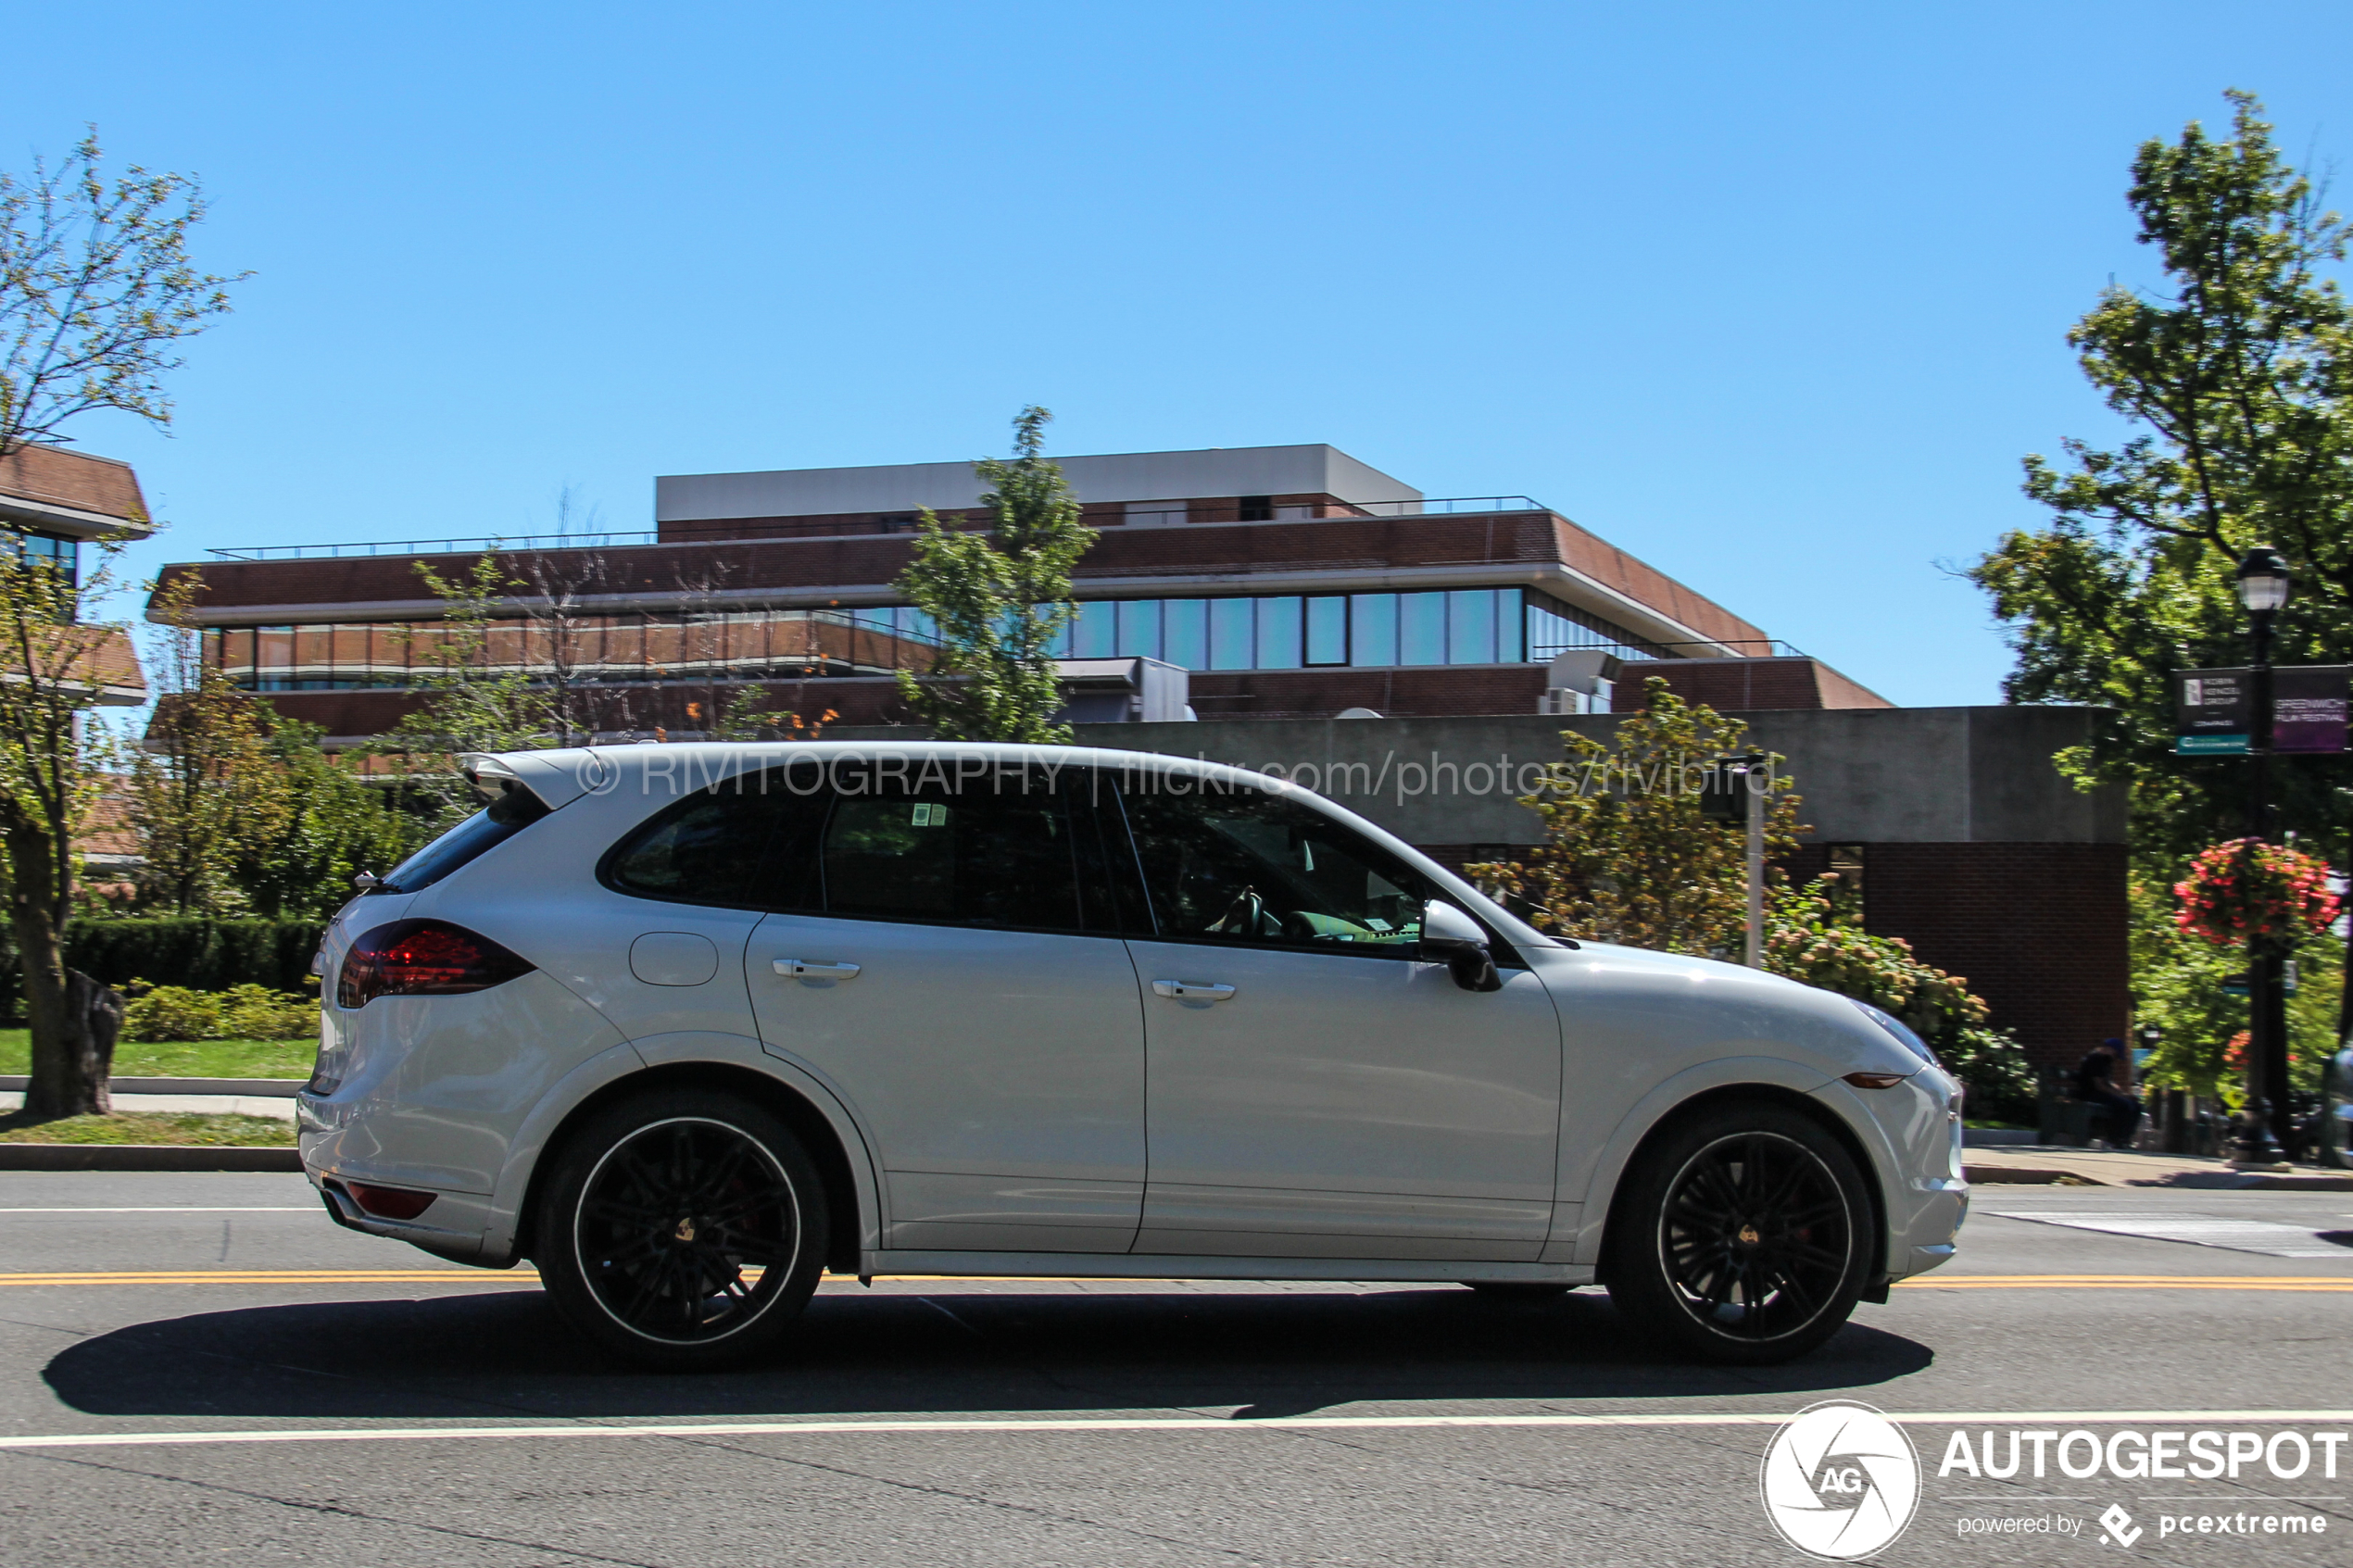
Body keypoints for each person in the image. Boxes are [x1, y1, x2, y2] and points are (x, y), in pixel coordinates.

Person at [2073, 1038, 2142, 1148]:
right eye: (2115, 1055)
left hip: (2100, 1094)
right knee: (2124, 1105)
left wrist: (2123, 1094)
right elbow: (2099, 1085)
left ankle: (2125, 1139)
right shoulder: (2096, 1059)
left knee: (2137, 1106)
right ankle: (2114, 1139)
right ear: (2109, 1049)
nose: (2115, 1058)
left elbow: (2109, 1083)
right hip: (2090, 1094)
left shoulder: (2105, 1061)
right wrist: (2120, 1096)